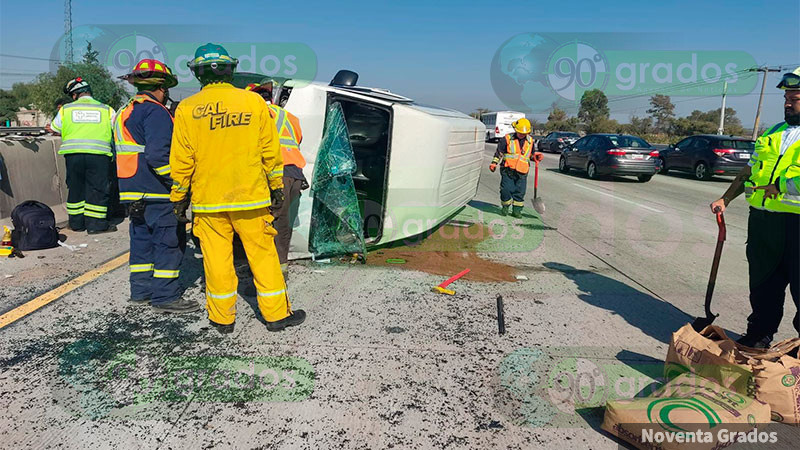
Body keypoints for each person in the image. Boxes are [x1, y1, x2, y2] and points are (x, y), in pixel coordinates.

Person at [170, 43, 306, 334]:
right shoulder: (253, 103)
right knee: (263, 255)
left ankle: (222, 320)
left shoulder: (187, 109)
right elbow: (270, 152)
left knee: (217, 261)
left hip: (209, 202)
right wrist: (275, 188)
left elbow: (182, 160)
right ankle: (276, 316)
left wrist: (179, 198)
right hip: (251, 198)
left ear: (198, 73)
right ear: (230, 69)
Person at [710, 67, 800, 348]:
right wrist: (725, 198)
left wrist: (782, 187)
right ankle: (758, 336)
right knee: (763, 284)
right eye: (786, 97)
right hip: (763, 222)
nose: (787, 102)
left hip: (797, 225)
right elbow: (748, 172)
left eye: (794, 97)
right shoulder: (774, 132)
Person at [113, 58, 200, 313]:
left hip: (132, 189)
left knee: (141, 241)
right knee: (168, 243)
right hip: (156, 190)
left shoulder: (125, 110)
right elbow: (158, 155)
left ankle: (140, 291)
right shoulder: (155, 111)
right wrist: (178, 183)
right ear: (162, 87)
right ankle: (165, 296)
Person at [244, 82, 308, 276]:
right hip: (294, 175)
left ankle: (265, 276)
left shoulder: (255, 115)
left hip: (272, 174)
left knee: (262, 224)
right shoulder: (289, 116)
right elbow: (296, 141)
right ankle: (280, 272)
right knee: (282, 225)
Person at [50, 78, 117, 233]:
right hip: (99, 155)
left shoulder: (66, 109)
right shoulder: (106, 109)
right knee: (98, 189)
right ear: (89, 92)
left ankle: (77, 224)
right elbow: (116, 128)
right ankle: (96, 225)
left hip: (73, 155)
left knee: (75, 188)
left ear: (74, 95)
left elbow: (55, 128)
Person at [489, 118, 542, 218]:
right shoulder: (507, 139)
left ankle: (517, 211)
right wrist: (494, 163)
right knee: (506, 190)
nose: (522, 134)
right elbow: (499, 152)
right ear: (516, 130)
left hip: (522, 171)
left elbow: (530, 155)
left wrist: (535, 157)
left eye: (524, 133)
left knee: (520, 192)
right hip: (507, 169)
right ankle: (505, 206)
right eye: (520, 132)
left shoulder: (530, 141)